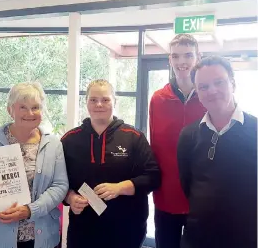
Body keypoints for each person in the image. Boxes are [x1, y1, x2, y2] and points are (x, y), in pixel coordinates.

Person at [61, 79, 161, 248]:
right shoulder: (69, 140)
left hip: (127, 229)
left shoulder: (134, 137)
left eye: (105, 99)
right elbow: (59, 181)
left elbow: (153, 177)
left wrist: (120, 187)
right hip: (83, 230)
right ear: (86, 103)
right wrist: (70, 198)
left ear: (115, 102)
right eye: (93, 100)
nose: (99, 104)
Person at [178, 56, 257, 248]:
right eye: (203, 87)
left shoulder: (255, 130)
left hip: (245, 237)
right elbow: (187, 184)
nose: (212, 91)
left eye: (219, 82)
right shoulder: (188, 134)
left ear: (233, 84)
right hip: (198, 238)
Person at [0, 82, 69, 248]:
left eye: (35, 107)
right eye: (22, 107)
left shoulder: (54, 144)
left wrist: (32, 210)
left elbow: (60, 185)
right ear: (10, 110)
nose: (30, 113)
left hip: (42, 236)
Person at [149, 34, 206, 248]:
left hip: (200, 198)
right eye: (176, 56)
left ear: (198, 57)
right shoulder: (158, 99)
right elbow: (154, 146)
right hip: (166, 195)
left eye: (188, 55)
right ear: (169, 60)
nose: (182, 62)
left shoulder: (207, 97)